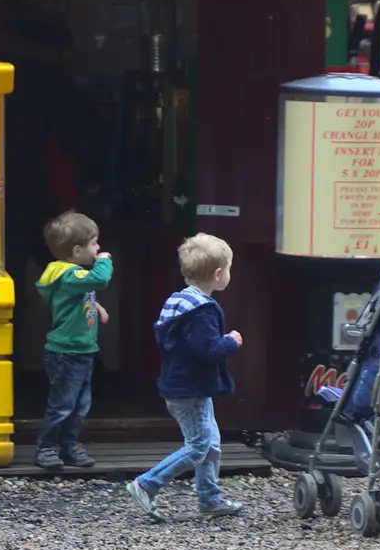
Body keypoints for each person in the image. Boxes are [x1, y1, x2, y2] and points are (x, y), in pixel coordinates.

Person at [126, 233, 244, 521]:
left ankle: (210, 499)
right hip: (190, 390)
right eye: (228, 268)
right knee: (199, 446)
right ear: (218, 275)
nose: (229, 274)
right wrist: (231, 342)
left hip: (185, 387)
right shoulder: (202, 311)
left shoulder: (179, 300)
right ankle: (146, 484)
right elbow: (206, 349)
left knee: (210, 442)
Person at [34, 211, 113, 470]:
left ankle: (69, 447)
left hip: (81, 350)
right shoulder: (69, 274)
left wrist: (95, 306)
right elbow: (98, 279)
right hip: (66, 352)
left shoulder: (71, 275)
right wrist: (104, 261)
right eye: (94, 243)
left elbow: (77, 296)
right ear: (78, 250)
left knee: (79, 405)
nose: (98, 248)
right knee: (63, 404)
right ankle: (46, 448)